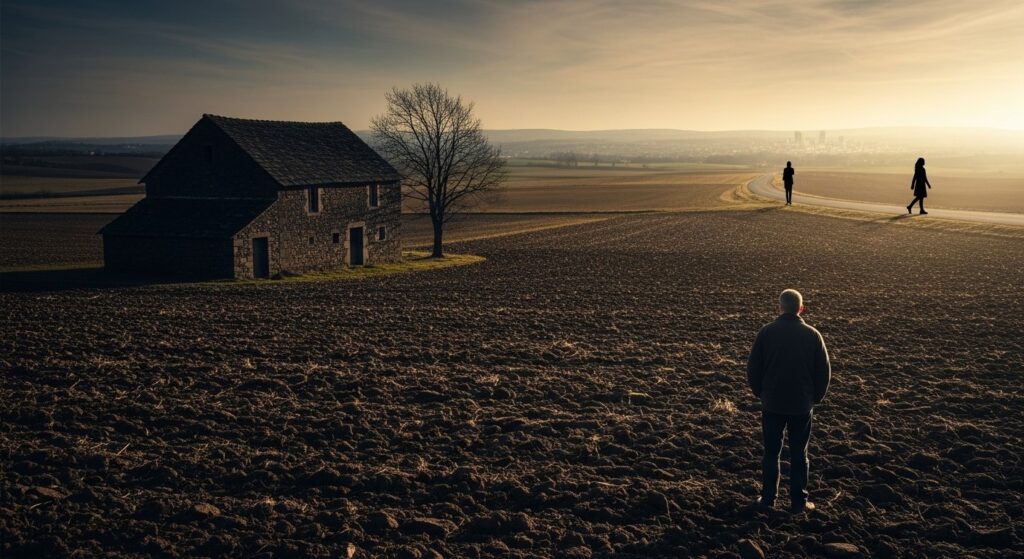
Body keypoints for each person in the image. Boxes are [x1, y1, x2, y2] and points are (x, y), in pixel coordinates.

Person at [747, 289, 831, 514]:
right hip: (801, 405)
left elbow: (753, 368)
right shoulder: (813, 335)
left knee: (771, 452)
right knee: (799, 453)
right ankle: (799, 502)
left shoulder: (766, 332)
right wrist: (815, 398)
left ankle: (767, 499)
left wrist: (760, 393)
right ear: (801, 308)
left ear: (780, 307)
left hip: (772, 403)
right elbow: (823, 371)